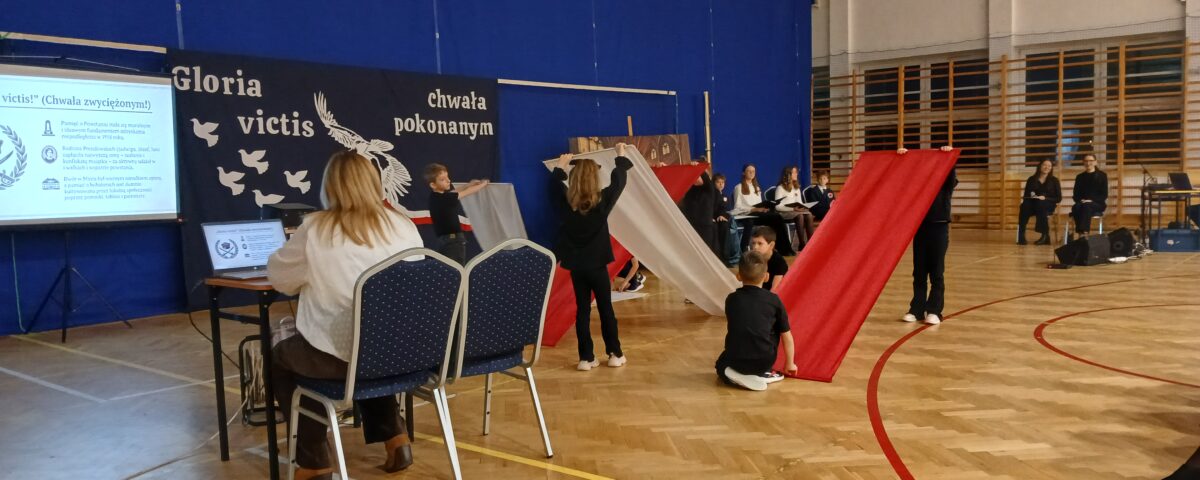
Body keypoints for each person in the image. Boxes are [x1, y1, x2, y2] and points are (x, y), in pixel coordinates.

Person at [267, 150, 425, 479]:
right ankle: (396, 438)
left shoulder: (315, 229)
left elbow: (280, 279)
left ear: (331, 186)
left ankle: (313, 462)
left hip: (341, 357)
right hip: (401, 353)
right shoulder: (403, 225)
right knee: (370, 344)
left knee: (284, 358)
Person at [553, 143, 633, 371]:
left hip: (577, 266)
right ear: (594, 179)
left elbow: (553, 186)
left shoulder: (566, 204)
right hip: (597, 266)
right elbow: (618, 182)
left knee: (583, 310)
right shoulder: (601, 202)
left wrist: (560, 166)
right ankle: (615, 353)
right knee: (606, 309)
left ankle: (586, 358)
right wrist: (620, 155)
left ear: (574, 179)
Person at [714, 250, 797, 391]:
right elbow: (786, 335)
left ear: (738, 276)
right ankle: (763, 374)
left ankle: (739, 375)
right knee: (775, 326)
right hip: (764, 361)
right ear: (766, 277)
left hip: (736, 358)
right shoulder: (774, 301)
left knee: (720, 365)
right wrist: (790, 364)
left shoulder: (731, 299)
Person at [900, 146, 957, 326]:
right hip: (920, 229)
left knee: (936, 272)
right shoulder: (919, 187)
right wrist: (903, 158)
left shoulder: (945, 185)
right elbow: (904, 179)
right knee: (919, 272)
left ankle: (934, 311)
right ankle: (916, 309)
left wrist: (948, 155)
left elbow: (951, 173)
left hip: (939, 230)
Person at [424, 163, 489, 265]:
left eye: (447, 177)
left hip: (445, 240)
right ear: (433, 185)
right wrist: (483, 185)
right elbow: (467, 192)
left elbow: (453, 192)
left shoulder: (436, 197)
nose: (448, 181)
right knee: (456, 268)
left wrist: (469, 184)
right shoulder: (445, 199)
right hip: (453, 241)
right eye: (443, 179)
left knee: (448, 268)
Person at [731, 164, 795, 256]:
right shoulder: (739, 187)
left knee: (777, 217)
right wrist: (753, 209)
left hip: (758, 214)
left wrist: (764, 208)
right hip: (746, 214)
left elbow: (760, 204)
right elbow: (737, 207)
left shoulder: (756, 187)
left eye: (753, 171)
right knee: (772, 217)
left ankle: (784, 249)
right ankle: (744, 250)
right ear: (743, 173)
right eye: (749, 171)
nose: (751, 173)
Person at [1017, 159, 1062, 245]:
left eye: (1049, 166)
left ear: (1051, 168)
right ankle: (1021, 235)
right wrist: (1033, 196)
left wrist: (1045, 198)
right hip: (1033, 204)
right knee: (1024, 205)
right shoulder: (1031, 179)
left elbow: (1058, 198)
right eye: (1044, 165)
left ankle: (1044, 235)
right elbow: (1026, 196)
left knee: (1041, 204)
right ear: (1040, 166)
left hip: (1048, 204)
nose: (1047, 167)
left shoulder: (1054, 180)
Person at [679, 161, 718, 256]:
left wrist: (697, 168)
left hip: (705, 226)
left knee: (706, 253)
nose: (697, 178)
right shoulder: (690, 189)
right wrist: (691, 170)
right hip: (690, 225)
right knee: (691, 253)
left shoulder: (709, 188)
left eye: (698, 175)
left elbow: (706, 179)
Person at [773, 166, 815, 252]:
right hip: (784, 212)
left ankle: (811, 244)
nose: (796, 174)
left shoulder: (796, 187)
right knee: (800, 216)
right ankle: (802, 244)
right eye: (794, 172)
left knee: (809, 215)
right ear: (788, 174)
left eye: (796, 172)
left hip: (795, 211)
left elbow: (799, 202)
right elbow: (777, 206)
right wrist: (793, 209)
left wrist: (803, 207)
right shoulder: (780, 188)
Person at [1070, 154, 1108, 238]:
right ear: (1083, 162)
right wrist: (1081, 200)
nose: (1088, 163)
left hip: (1098, 203)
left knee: (1086, 206)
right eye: (1086, 161)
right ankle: (1082, 232)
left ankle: (1083, 234)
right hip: (1083, 203)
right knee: (1076, 207)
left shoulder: (1102, 176)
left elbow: (1104, 194)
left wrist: (1091, 200)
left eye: (1091, 161)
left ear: (1095, 162)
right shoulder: (1079, 177)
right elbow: (1075, 194)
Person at [747, 226, 788, 291]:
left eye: (760, 243)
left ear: (771, 245)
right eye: (753, 243)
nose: (755, 247)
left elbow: (775, 290)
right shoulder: (751, 259)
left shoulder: (779, 263)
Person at [712, 173, 734, 265]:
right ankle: (719, 257)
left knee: (726, 225)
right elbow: (710, 208)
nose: (721, 184)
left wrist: (723, 216)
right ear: (713, 183)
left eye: (723, 182)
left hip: (723, 219)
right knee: (720, 227)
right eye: (718, 182)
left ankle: (726, 257)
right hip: (713, 219)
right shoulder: (711, 195)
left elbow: (727, 210)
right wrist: (713, 217)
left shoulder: (726, 196)